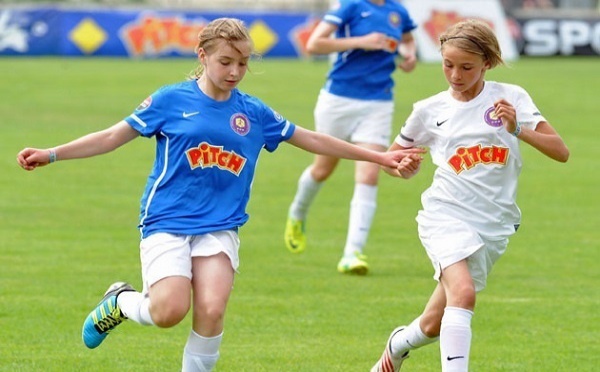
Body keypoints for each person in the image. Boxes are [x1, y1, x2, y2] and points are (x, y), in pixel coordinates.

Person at [16, 18, 423, 372]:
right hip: (167, 221)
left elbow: (312, 138)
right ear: (203, 55)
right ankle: (120, 303)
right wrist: (52, 154)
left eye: (243, 63)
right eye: (226, 62)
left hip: (220, 225)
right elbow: (110, 136)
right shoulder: (170, 99)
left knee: (211, 309)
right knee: (169, 311)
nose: (235, 72)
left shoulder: (254, 113)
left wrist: (380, 157)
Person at [370, 19, 569, 372]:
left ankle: (396, 345)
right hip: (445, 215)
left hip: (493, 225)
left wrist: (517, 128)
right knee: (463, 295)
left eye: (466, 67)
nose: (455, 75)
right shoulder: (429, 110)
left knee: (433, 325)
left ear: (487, 64)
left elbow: (560, 151)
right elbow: (392, 159)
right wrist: (401, 168)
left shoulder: (511, 98)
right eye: (448, 65)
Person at [284, 0, 418, 275]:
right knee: (323, 169)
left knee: (370, 173)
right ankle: (297, 214)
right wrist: (362, 41)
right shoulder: (350, 6)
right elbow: (314, 45)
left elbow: (407, 39)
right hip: (338, 100)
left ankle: (352, 252)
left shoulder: (398, 11)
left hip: (378, 103)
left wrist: (409, 55)